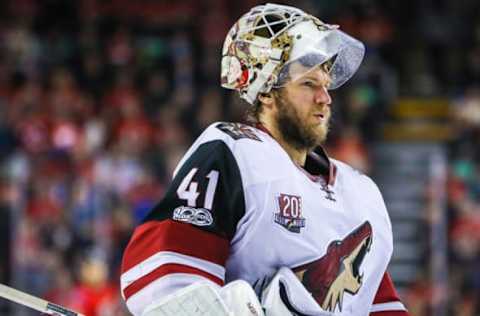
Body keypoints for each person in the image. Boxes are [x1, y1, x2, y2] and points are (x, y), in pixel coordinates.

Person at [120, 3, 410, 315]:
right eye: (309, 84)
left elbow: (378, 305)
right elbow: (164, 283)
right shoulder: (234, 153)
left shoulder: (361, 194)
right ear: (267, 91)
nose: (324, 98)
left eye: (326, 85)